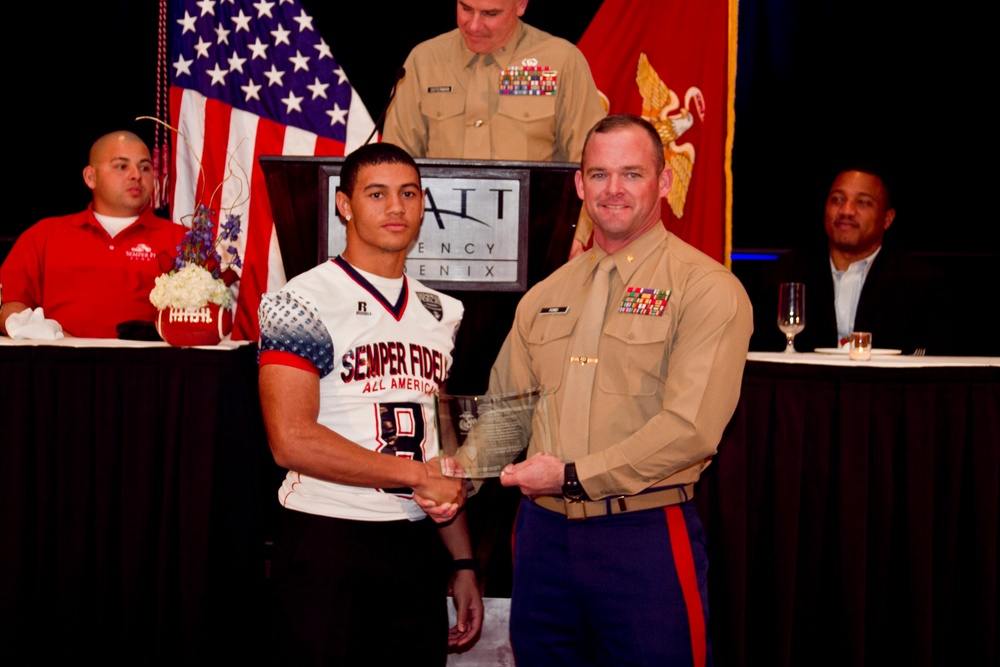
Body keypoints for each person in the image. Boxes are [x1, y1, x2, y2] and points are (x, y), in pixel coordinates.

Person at [485, 114, 753, 665]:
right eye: (599, 174)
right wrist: (451, 474)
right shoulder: (543, 296)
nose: (613, 190)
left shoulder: (707, 290)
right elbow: (501, 416)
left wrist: (572, 477)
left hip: (643, 533)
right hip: (543, 539)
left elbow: (691, 430)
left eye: (632, 173)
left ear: (664, 182)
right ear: (579, 185)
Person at [257, 142, 483, 664]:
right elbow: (290, 440)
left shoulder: (442, 310)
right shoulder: (300, 299)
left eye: (408, 194)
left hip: (413, 544)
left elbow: (438, 451)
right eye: (376, 194)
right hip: (328, 537)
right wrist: (416, 477)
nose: (396, 208)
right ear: (344, 205)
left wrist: (464, 561)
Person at [0, 130, 186, 338]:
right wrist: (56, 341)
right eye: (121, 166)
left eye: (145, 167)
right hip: (59, 364)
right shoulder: (44, 236)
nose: (136, 175)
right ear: (90, 177)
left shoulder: (182, 241)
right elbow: (8, 307)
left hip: (154, 366)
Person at [751, 165, 952, 354]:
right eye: (837, 199)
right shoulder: (782, 273)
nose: (846, 211)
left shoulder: (922, 282)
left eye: (862, 202)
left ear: (887, 219)